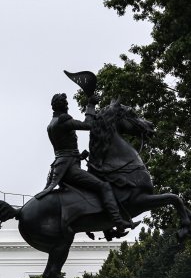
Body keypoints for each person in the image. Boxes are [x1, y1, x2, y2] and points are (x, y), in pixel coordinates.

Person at [36, 93, 131, 229]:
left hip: (63, 165)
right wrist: (91, 105)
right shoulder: (63, 122)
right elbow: (88, 125)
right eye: (66, 104)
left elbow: (64, 150)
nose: (68, 106)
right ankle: (117, 221)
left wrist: (79, 156)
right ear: (62, 106)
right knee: (104, 186)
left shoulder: (52, 123)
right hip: (69, 169)